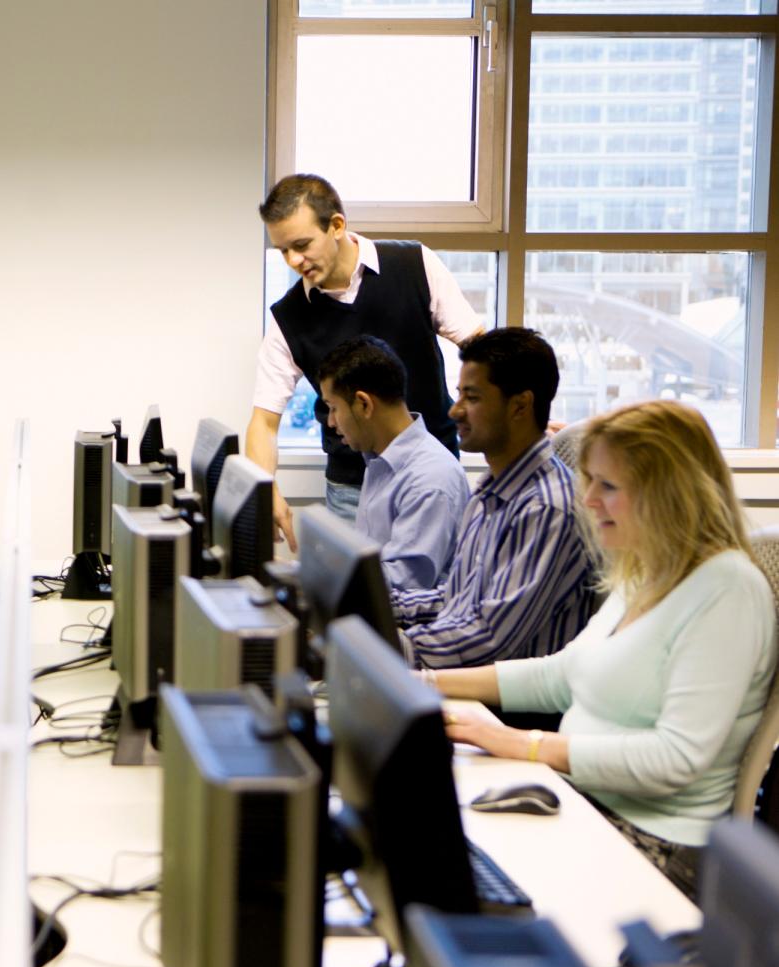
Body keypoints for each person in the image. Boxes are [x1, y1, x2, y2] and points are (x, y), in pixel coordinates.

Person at [427, 400, 776, 900]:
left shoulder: (728, 590)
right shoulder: (646, 568)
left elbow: (675, 758)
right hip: (585, 803)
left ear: (669, 494)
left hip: (659, 846)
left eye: (607, 486)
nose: (587, 500)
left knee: (448, 884)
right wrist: (425, 682)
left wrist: (519, 743)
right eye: (588, 480)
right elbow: (560, 676)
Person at [246, 174, 483, 544]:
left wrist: (519, 420)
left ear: (336, 225)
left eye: (302, 244)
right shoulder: (288, 317)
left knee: (434, 593)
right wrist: (267, 491)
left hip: (433, 476)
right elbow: (263, 422)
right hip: (350, 489)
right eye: (283, 251)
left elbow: (479, 347)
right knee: (355, 598)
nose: (294, 260)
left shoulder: (415, 264)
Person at [395, 327, 596, 668]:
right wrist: (380, 607)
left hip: (511, 708)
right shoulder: (490, 490)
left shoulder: (546, 507)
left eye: (472, 398)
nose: (454, 411)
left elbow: (489, 640)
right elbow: (462, 599)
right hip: (470, 679)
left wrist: (387, 647)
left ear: (520, 406)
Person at [315, 336, 470, 591]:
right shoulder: (380, 461)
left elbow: (401, 586)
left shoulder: (430, 480)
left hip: (408, 625)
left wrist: (317, 577)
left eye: (334, 408)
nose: (331, 422)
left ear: (364, 404)